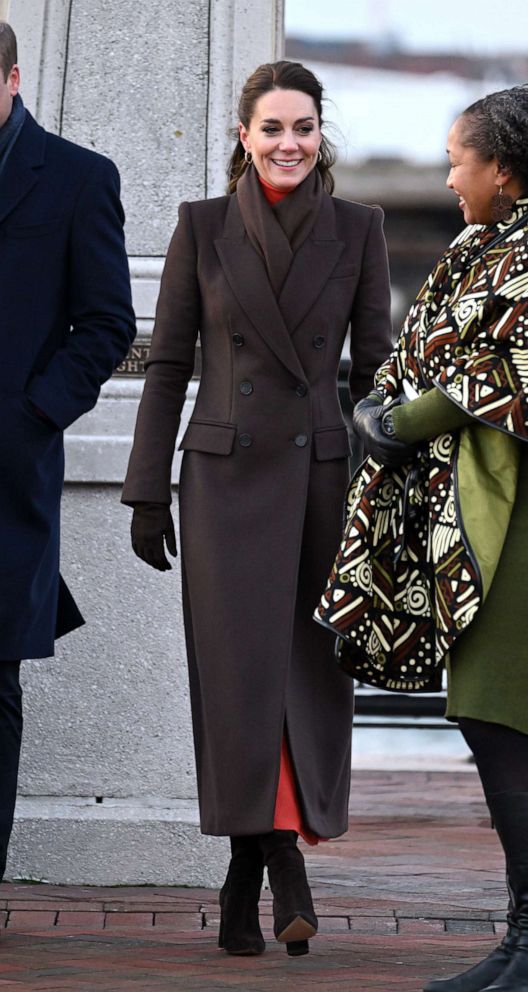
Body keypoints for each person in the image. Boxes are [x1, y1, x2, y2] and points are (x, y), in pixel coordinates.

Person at [317, 81, 528, 992]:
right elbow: (428, 353)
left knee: (501, 710)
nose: (447, 177)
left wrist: (402, 420)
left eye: (457, 160)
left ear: (503, 169)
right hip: (487, 512)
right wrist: (383, 403)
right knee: (507, 719)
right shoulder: (487, 242)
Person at [121, 60, 392, 957]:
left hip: (318, 477)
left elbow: (375, 377)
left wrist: (383, 490)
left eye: (304, 129)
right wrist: (146, 490)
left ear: (322, 136)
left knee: (307, 669)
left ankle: (253, 867)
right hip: (223, 481)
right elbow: (167, 367)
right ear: (243, 136)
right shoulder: (201, 227)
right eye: (272, 128)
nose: (288, 144)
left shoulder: (360, 229)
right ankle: (278, 856)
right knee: (239, 677)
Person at [0, 21, 136, 886]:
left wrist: (31, 414)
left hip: (7, 476)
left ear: (10, 79)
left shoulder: (81, 177)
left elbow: (109, 325)